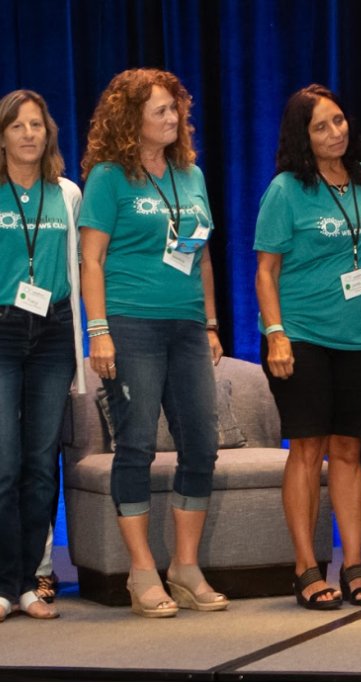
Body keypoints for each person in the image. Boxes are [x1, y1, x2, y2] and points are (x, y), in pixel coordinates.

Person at [79, 68, 228, 618]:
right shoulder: (109, 178)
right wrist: (98, 331)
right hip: (131, 323)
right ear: (130, 118)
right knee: (136, 444)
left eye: (176, 109)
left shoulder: (191, 174)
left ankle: (184, 567)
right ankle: (142, 572)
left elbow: (203, 255)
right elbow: (90, 259)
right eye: (161, 110)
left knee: (201, 446)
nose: (173, 118)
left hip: (188, 325)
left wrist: (211, 323)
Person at [254, 84, 361, 610]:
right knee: (308, 449)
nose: (335, 132)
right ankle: (307, 566)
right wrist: (275, 334)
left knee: (349, 451)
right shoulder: (287, 189)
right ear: (301, 137)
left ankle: (354, 566)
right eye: (320, 127)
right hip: (303, 336)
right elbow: (266, 271)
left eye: (338, 120)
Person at [0, 89, 85, 622]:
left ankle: (30, 579)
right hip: (2, 331)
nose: (29, 134)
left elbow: (79, 271)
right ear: (2, 135)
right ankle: (6, 583)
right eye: (16, 126)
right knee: (5, 466)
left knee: (39, 464)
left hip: (53, 332)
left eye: (37, 124)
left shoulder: (68, 193)